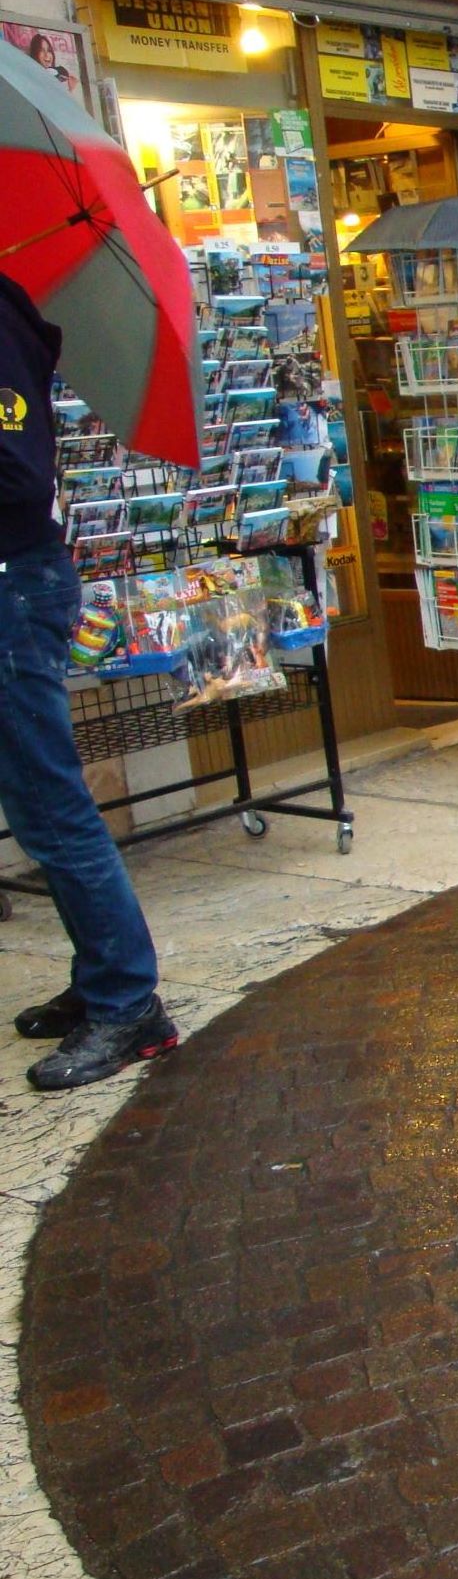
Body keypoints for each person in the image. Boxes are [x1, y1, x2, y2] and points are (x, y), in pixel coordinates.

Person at [0, 273, 177, 1090]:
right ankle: (102, 976)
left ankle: (129, 1003)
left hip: (13, 584)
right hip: (16, 580)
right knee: (35, 807)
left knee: (49, 803)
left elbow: (19, 476)